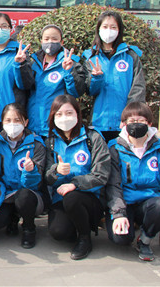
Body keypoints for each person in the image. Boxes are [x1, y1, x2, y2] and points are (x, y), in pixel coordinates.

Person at [106, 102, 160, 261]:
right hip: (124, 202)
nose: (136, 124)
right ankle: (130, 225)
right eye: (131, 121)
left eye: (141, 120)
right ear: (124, 124)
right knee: (121, 239)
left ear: (149, 123)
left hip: (149, 201)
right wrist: (119, 214)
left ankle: (145, 240)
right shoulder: (115, 147)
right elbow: (113, 184)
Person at [45, 94, 110, 260]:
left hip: (89, 198)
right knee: (59, 232)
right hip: (60, 198)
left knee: (72, 198)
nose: (64, 118)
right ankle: (74, 226)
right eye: (59, 114)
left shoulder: (92, 138)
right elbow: (47, 177)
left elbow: (101, 175)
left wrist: (75, 184)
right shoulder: (50, 141)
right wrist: (56, 171)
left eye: (69, 113)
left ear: (77, 114)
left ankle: (85, 238)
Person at [0, 103, 47, 249]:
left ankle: (29, 228)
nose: (12, 124)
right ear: (2, 122)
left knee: (24, 196)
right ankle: (12, 218)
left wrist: (30, 171)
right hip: (6, 194)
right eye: (8, 120)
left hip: (30, 195)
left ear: (26, 122)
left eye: (17, 120)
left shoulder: (36, 144)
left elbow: (36, 184)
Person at [83, 11, 146, 142]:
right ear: (98, 29)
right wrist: (97, 78)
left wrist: (131, 116)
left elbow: (138, 87)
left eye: (113, 27)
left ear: (119, 30)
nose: (109, 31)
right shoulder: (91, 57)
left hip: (125, 123)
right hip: (99, 122)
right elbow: (90, 91)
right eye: (105, 27)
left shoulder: (130, 56)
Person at [27, 25, 86, 138]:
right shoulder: (33, 63)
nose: (50, 42)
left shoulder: (69, 62)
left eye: (54, 39)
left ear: (61, 42)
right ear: (41, 41)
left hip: (56, 126)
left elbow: (75, 92)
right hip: (33, 125)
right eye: (46, 39)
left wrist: (68, 72)